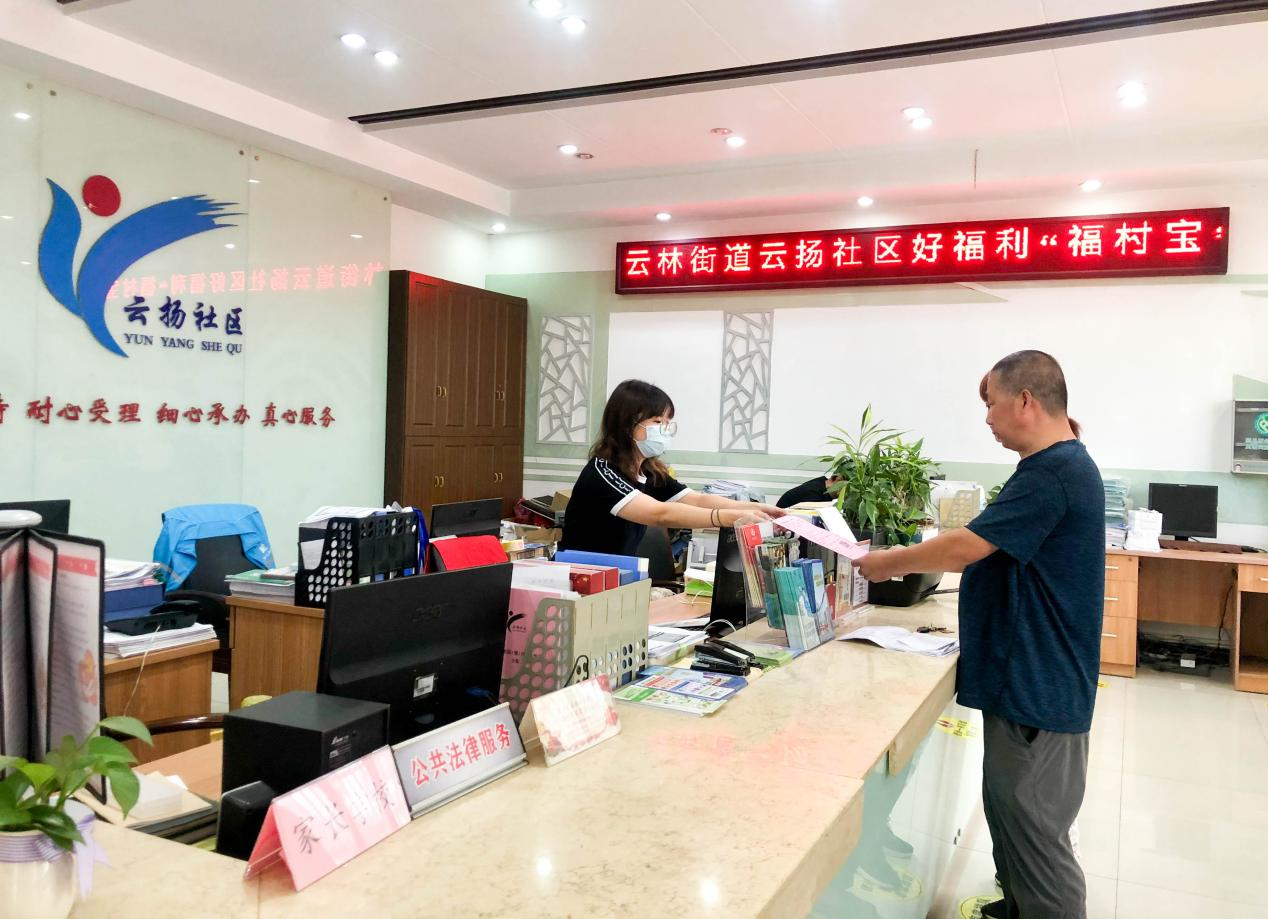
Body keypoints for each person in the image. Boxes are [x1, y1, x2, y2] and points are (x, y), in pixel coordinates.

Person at [855, 351, 1102, 919]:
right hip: (1024, 677)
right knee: (1010, 814)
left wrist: (884, 562)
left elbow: (966, 547)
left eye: (991, 405)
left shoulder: (1054, 472)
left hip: (1040, 684)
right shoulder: (1050, 466)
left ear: (1025, 401)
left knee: (1036, 830)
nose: (987, 419)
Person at [559, 379, 780, 556]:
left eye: (667, 422)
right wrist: (730, 518)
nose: (664, 429)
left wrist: (761, 509)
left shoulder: (648, 471)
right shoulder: (602, 473)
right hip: (580, 576)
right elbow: (660, 514)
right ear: (627, 424)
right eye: (657, 422)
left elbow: (697, 500)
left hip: (617, 575)